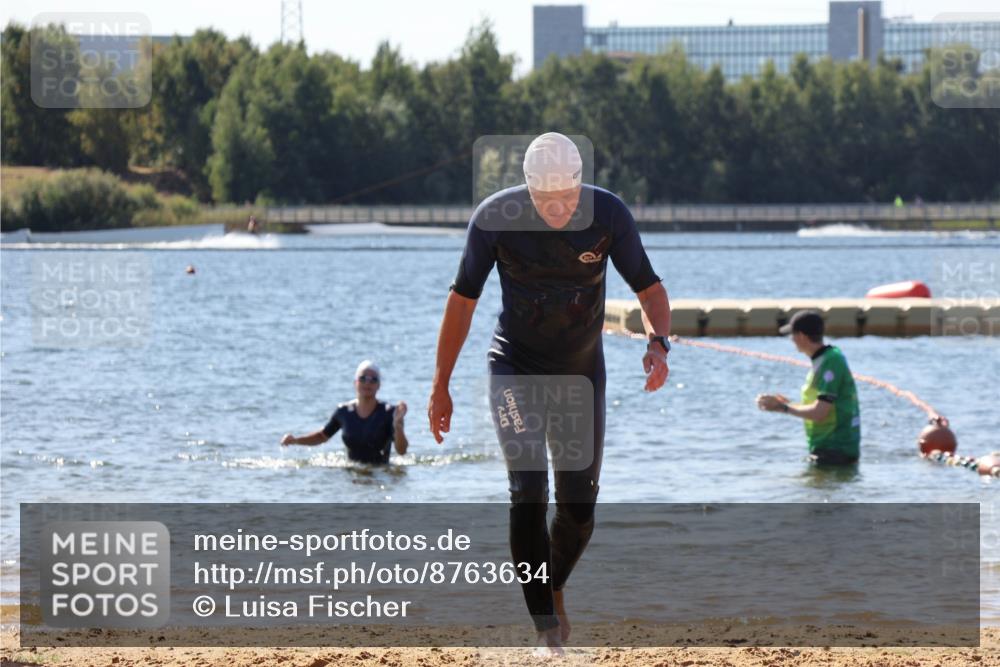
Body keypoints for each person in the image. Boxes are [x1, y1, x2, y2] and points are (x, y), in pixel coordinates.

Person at [427, 132, 672, 655]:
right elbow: (462, 303)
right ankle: (545, 627)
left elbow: (648, 288)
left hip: (581, 374)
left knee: (579, 511)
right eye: (546, 200)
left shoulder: (608, 215)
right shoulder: (495, 218)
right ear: (528, 189)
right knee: (528, 490)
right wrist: (440, 386)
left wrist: (658, 344)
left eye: (567, 197)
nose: (558, 210)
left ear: (580, 185)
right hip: (514, 367)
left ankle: (552, 583)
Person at [756, 310, 861, 465]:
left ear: (802, 336)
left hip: (835, 450)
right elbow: (822, 405)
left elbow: (820, 412)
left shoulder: (831, 361)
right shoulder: (823, 359)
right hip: (826, 449)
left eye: (793, 335)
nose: (791, 340)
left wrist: (783, 407)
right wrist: (785, 404)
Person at [281, 360, 408, 463]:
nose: (367, 383)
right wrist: (295, 440)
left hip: (380, 473)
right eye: (363, 378)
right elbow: (322, 436)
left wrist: (398, 426)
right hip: (351, 474)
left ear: (379, 385)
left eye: (373, 379)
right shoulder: (344, 412)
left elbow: (401, 451)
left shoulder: (389, 413)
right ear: (355, 383)